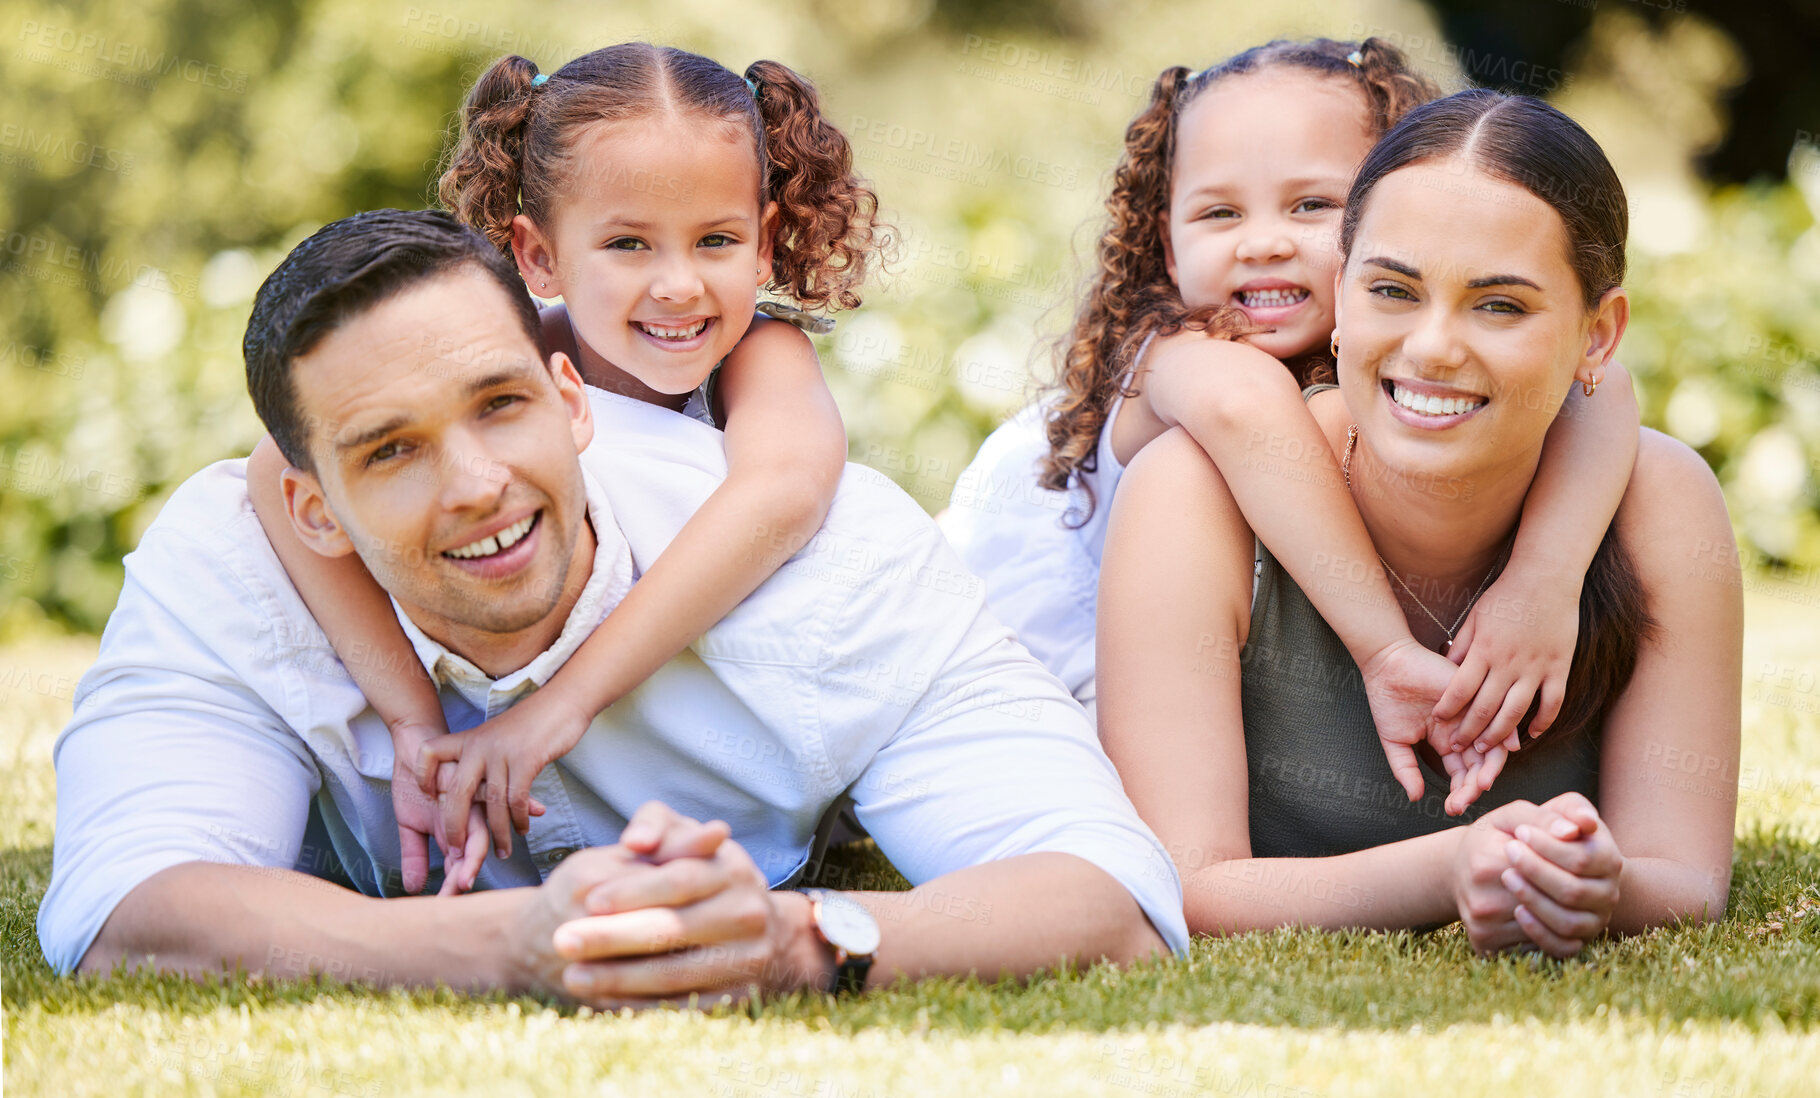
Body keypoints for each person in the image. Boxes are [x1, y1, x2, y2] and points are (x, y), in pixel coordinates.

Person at [38, 208, 1187, 1002]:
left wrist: (797, 945)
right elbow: (123, 910)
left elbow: (1109, 888)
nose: (477, 482)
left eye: (500, 405)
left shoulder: (834, 566)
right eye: (391, 451)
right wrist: (508, 945)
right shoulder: (233, 566)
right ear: (313, 510)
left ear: (571, 400)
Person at [1095, 90, 1741, 957]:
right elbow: (1183, 879)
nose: (1433, 348)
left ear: (1599, 336)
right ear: (1341, 290)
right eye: (1394, 290)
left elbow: (1685, 880)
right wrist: (1450, 870)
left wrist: (1582, 882)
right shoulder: (1192, 495)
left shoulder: (1658, 502)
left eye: (1500, 305)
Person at [244, 44, 886, 891]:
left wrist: (561, 707)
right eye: (627, 243)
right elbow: (273, 464)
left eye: (717, 240)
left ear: (764, 247)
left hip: (734, 730)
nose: (678, 286)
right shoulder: (513, 355)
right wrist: (410, 718)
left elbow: (782, 494)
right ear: (539, 256)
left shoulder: (763, 355)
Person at [941, 39, 1640, 800]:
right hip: (1054, 656)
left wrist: (1541, 583)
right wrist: (1385, 653)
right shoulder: (1175, 357)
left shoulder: (1396, 352)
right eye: (1218, 212)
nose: (1264, 241)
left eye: (1311, 205)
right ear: (1168, 249)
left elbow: (1604, 398)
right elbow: (1249, 412)